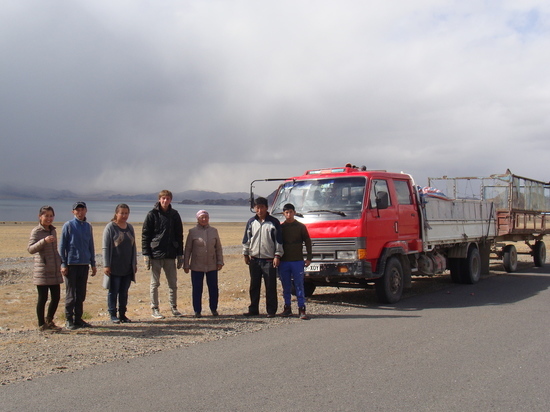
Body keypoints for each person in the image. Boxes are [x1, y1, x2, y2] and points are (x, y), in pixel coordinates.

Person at [142, 190, 184, 319]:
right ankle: (155, 308)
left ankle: (174, 307)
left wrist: (180, 254)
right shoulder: (152, 214)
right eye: (163, 198)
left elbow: (179, 235)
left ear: (171, 200)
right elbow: (145, 235)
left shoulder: (175, 215)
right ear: (159, 199)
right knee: (155, 283)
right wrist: (146, 254)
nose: (165, 201)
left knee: (172, 283)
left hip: (170, 253)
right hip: (155, 254)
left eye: (167, 198)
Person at [242, 197, 284, 318]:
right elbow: (246, 239)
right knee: (254, 286)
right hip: (254, 259)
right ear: (254, 208)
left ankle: (271, 310)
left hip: (269, 260)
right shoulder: (251, 222)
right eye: (257, 207)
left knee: (270, 286)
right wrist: (245, 254)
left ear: (267, 207)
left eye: (261, 207)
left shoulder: (274, 222)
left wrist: (277, 255)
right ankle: (253, 309)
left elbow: (279, 241)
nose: (259, 210)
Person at [60, 201, 97, 330]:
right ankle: (68, 319)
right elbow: (62, 246)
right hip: (71, 264)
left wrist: (93, 263)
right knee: (71, 294)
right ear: (73, 212)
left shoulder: (88, 226)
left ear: (86, 211)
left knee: (81, 293)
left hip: (84, 264)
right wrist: (63, 264)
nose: (80, 212)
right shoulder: (68, 226)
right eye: (78, 210)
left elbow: (90, 245)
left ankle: (78, 319)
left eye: (82, 209)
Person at [27, 206, 64, 331]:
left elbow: (54, 251)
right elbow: (31, 249)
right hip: (42, 270)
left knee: (56, 297)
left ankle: (49, 320)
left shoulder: (53, 231)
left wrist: (61, 263)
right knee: (43, 298)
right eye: (46, 215)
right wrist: (44, 241)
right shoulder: (36, 231)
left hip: (54, 270)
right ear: (40, 216)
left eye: (51, 216)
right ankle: (41, 324)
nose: (49, 218)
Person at [183, 210, 224, 318]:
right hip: (197, 266)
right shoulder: (192, 232)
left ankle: (214, 309)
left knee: (213, 288)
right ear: (197, 219)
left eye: (206, 217)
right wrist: (186, 264)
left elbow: (218, 248)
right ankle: (197, 310)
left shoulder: (214, 231)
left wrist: (220, 261)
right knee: (197, 289)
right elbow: (188, 249)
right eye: (202, 217)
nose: (204, 219)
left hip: (212, 265)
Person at [103, 204, 137, 324]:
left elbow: (134, 247)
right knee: (113, 291)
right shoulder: (110, 227)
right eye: (122, 213)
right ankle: (113, 314)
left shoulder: (130, 227)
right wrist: (106, 265)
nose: (124, 215)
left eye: (126, 213)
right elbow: (105, 247)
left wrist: (134, 264)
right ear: (116, 213)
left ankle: (123, 314)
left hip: (127, 266)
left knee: (124, 292)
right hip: (114, 266)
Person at [278, 203, 313, 320]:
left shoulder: (300, 227)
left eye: (291, 212)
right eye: (286, 212)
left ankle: (301, 309)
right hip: (284, 261)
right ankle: (287, 308)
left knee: (299, 285)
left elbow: (308, 242)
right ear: (284, 214)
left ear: (294, 212)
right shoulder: (281, 228)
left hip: (297, 261)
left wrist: (309, 258)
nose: (289, 214)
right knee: (286, 286)